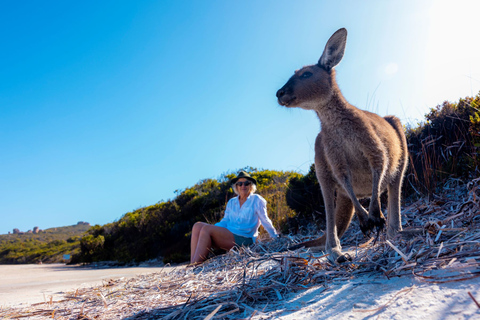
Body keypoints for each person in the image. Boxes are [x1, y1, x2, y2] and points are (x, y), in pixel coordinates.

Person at [190, 171, 278, 264]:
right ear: (236, 187)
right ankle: (192, 263)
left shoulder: (256, 199)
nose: (243, 186)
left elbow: (265, 220)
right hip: (229, 233)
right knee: (197, 225)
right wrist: (214, 228)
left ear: (251, 186)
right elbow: (225, 221)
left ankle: (196, 264)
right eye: (240, 184)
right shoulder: (232, 202)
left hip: (245, 238)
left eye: (246, 183)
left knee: (206, 229)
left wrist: (275, 237)